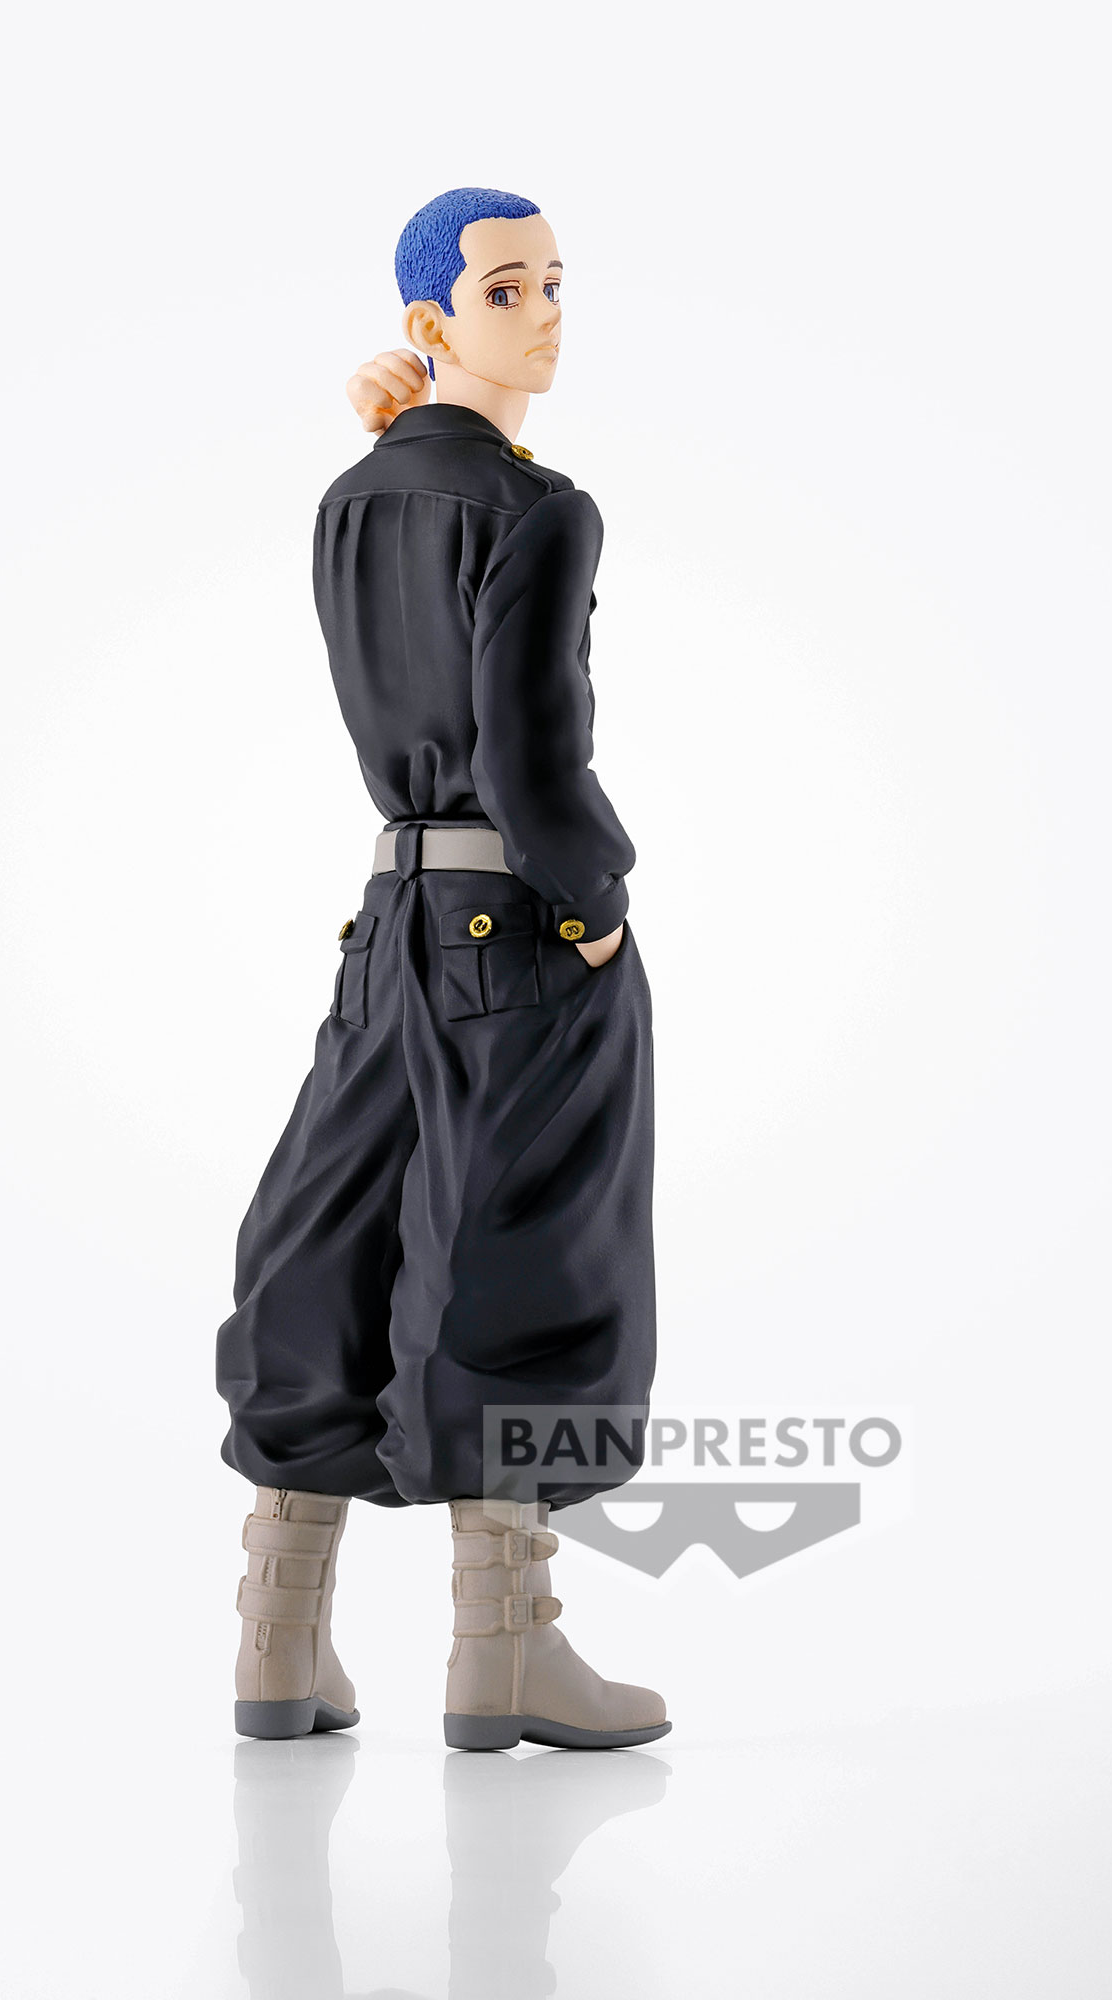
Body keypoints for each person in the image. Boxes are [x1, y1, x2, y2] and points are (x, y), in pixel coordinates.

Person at [217, 189, 667, 1751]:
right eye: (506, 288)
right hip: (520, 923)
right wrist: (596, 899)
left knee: (326, 1241)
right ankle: (503, 1654)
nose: (546, 314)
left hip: (390, 920)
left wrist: (404, 423)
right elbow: (531, 750)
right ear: (431, 321)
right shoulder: (542, 508)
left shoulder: (355, 497)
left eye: (554, 282)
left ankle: (277, 1650)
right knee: (526, 1257)